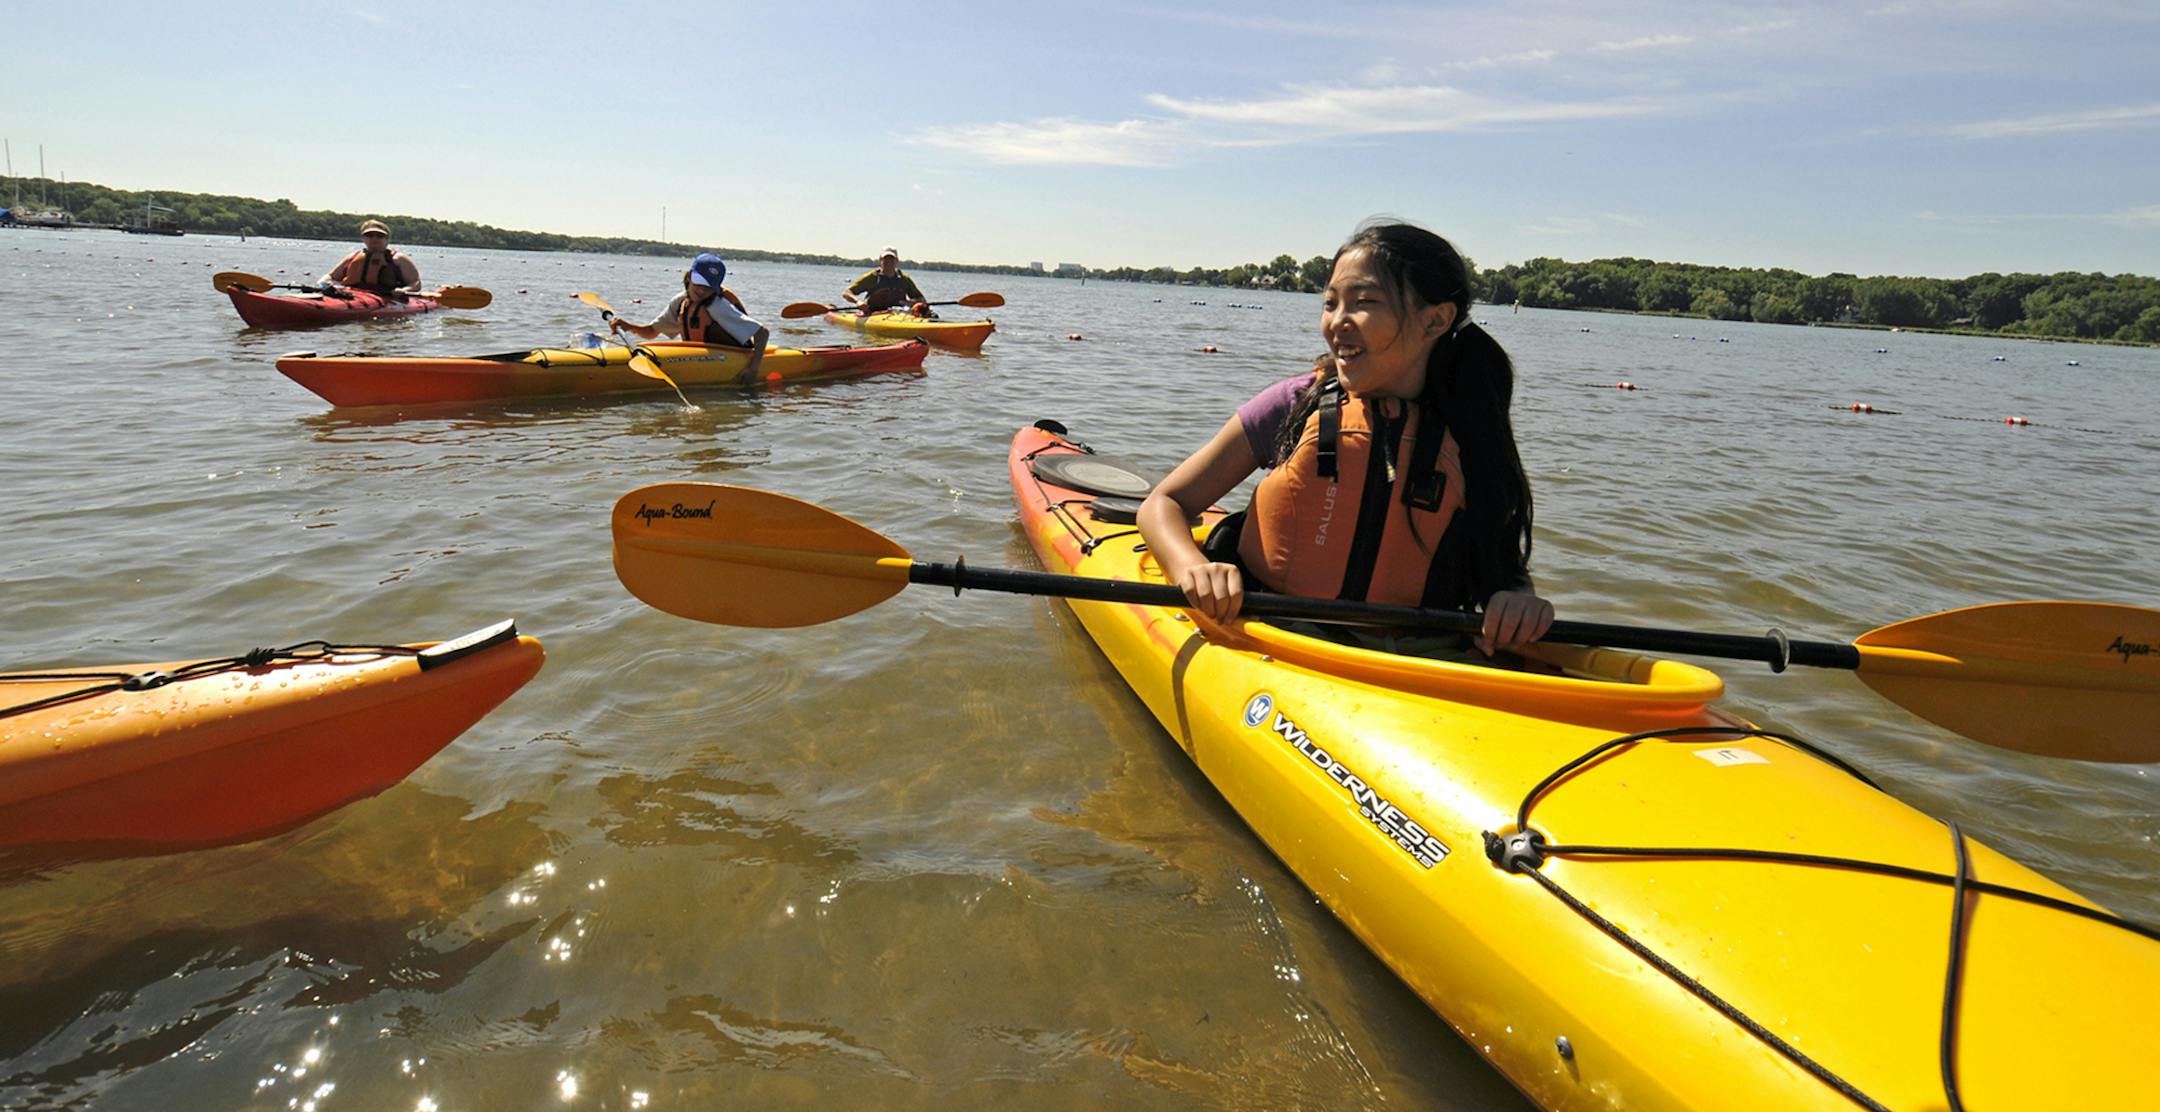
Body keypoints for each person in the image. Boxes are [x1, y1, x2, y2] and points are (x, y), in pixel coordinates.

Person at [1136, 221, 1554, 660]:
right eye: (1331, 303)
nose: (1337, 323)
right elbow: (1164, 504)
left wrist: (1516, 599)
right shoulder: (1295, 404)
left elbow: (1500, 562)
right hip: (1273, 634)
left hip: (1418, 655)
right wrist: (1193, 568)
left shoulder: (1470, 424)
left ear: (1436, 319)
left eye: (1364, 303)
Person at [610, 252, 769, 383]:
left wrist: (754, 368)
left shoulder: (718, 306)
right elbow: (652, 332)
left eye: (708, 287)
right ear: (689, 276)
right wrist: (628, 326)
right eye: (698, 283)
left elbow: (762, 332)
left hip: (730, 359)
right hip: (697, 359)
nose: (701, 290)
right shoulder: (681, 302)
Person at [323, 219, 420, 294]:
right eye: (369, 235)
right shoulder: (353, 257)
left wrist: (404, 290)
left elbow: (415, 283)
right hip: (353, 295)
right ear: (363, 238)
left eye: (379, 236)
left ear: (387, 239)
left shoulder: (399, 259)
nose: (374, 238)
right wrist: (324, 283)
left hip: (387, 295)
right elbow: (331, 276)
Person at [843, 246, 929, 313]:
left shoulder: (904, 279)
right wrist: (858, 301)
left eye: (891, 259)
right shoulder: (872, 277)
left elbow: (922, 299)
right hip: (873, 313)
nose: (888, 262)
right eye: (885, 259)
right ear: (880, 260)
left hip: (897, 315)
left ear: (897, 261)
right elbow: (846, 292)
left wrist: (911, 303)